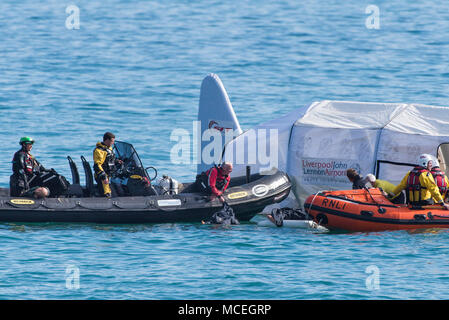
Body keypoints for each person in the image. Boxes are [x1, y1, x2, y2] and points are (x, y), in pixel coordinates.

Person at [93, 132, 123, 198]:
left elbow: (109, 159)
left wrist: (117, 161)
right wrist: (103, 177)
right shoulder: (99, 151)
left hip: (109, 175)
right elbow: (97, 165)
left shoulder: (109, 148)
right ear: (107, 140)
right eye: (112, 141)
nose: (113, 143)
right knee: (107, 194)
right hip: (102, 177)